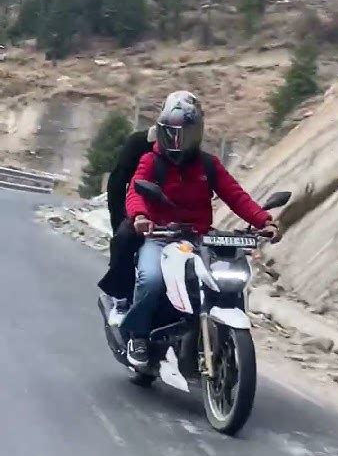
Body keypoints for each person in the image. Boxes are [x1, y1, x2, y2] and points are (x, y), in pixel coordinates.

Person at [121, 91, 281, 368]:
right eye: (171, 132)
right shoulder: (151, 161)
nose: (176, 140)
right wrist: (140, 216)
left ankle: (219, 340)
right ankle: (139, 336)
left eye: (183, 133)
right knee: (151, 280)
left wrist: (263, 221)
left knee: (224, 283)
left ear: (196, 133)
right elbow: (135, 191)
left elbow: (236, 196)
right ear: (161, 130)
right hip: (160, 236)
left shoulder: (208, 164)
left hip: (200, 238)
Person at [98, 126, 156, 326]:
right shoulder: (140, 145)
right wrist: (120, 220)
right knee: (124, 238)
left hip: (174, 214)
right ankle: (121, 298)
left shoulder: (195, 155)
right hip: (137, 209)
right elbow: (118, 182)